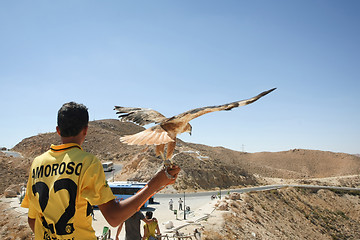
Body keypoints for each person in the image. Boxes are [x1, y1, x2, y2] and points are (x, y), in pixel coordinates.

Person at [21, 102, 180, 240]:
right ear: (85, 130)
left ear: (58, 130)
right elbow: (114, 217)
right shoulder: (87, 162)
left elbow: (32, 220)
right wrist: (155, 185)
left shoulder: (37, 163)